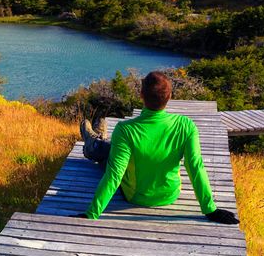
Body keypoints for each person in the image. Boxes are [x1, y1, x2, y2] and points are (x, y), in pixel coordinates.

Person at [79, 71, 239, 224]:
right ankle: (97, 138)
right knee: (112, 150)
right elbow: (196, 167)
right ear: (169, 97)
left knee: (106, 154)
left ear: (141, 95)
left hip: (135, 196)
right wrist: (210, 209)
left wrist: (92, 213)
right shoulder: (186, 126)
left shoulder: (125, 129)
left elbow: (114, 174)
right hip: (170, 194)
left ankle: (92, 142)